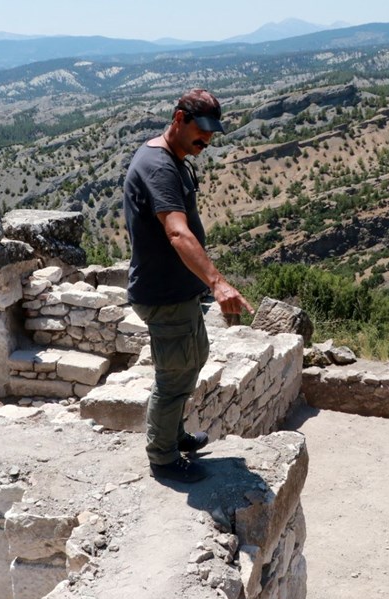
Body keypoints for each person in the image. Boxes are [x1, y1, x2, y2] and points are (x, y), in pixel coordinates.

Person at [123, 88, 254, 483]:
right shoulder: (159, 166)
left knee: (192, 360)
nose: (207, 141)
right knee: (174, 375)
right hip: (163, 295)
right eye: (201, 132)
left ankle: (173, 435)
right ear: (178, 119)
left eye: (213, 133)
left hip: (180, 292)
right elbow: (177, 233)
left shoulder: (176, 158)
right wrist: (217, 282)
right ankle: (162, 457)